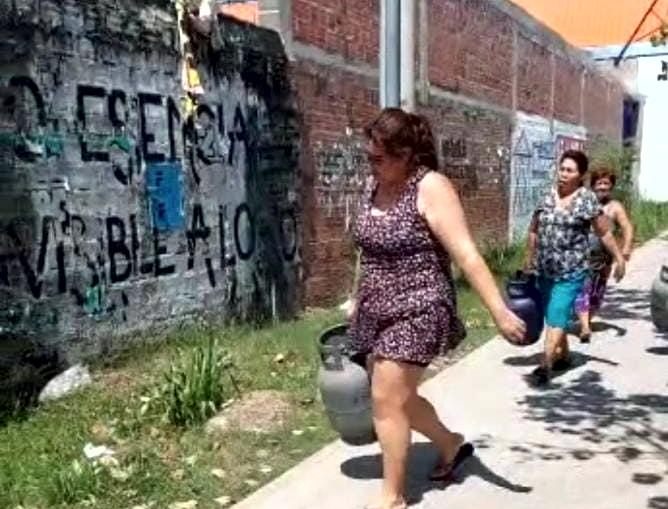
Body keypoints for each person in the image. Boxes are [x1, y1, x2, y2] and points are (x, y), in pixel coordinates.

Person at [347, 108, 526, 509]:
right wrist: (358, 299)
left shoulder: (431, 187)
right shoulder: (374, 185)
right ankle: (450, 444)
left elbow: (467, 253)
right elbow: (368, 252)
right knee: (398, 396)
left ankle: (392, 498)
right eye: (368, 157)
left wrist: (499, 310)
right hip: (378, 307)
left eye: (379, 158)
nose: (371, 165)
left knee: (386, 398)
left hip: (421, 305)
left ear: (406, 154)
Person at [522, 150, 626, 386]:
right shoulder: (546, 196)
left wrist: (619, 258)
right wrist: (528, 258)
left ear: (580, 175)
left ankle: (545, 365)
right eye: (562, 169)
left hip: (572, 271)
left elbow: (604, 232)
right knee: (552, 315)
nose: (563, 174)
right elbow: (534, 229)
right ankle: (564, 356)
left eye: (569, 170)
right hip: (544, 270)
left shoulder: (586, 199)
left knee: (557, 313)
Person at [574, 169, 634, 343]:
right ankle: (584, 327)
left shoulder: (615, 207)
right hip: (582, 255)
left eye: (606, 183)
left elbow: (627, 227)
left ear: (611, 186)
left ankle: (587, 320)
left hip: (604, 259)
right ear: (593, 186)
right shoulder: (584, 203)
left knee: (596, 293)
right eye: (599, 183)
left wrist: (626, 248)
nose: (602, 187)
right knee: (583, 289)